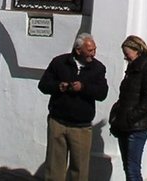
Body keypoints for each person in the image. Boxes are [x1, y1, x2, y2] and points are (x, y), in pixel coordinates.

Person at [38, 33, 108, 181]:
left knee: (80, 169)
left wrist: (83, 87)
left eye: (94, 50)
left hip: (81, 126)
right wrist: (59, 87)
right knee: (54, 167)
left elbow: (102, 93)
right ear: (78, 50)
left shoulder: (98, 68)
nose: (93, 54)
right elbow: (43, 85)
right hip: (58, 122)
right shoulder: (59, 62)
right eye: (90, 50)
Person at [109, 35, 147, 181]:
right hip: (124, 124)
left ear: (136, 50)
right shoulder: (132, 69)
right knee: (128, 167)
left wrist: (130, 117)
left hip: (136, 126)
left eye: (127, 53)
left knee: (133, 169)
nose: (125, 57)